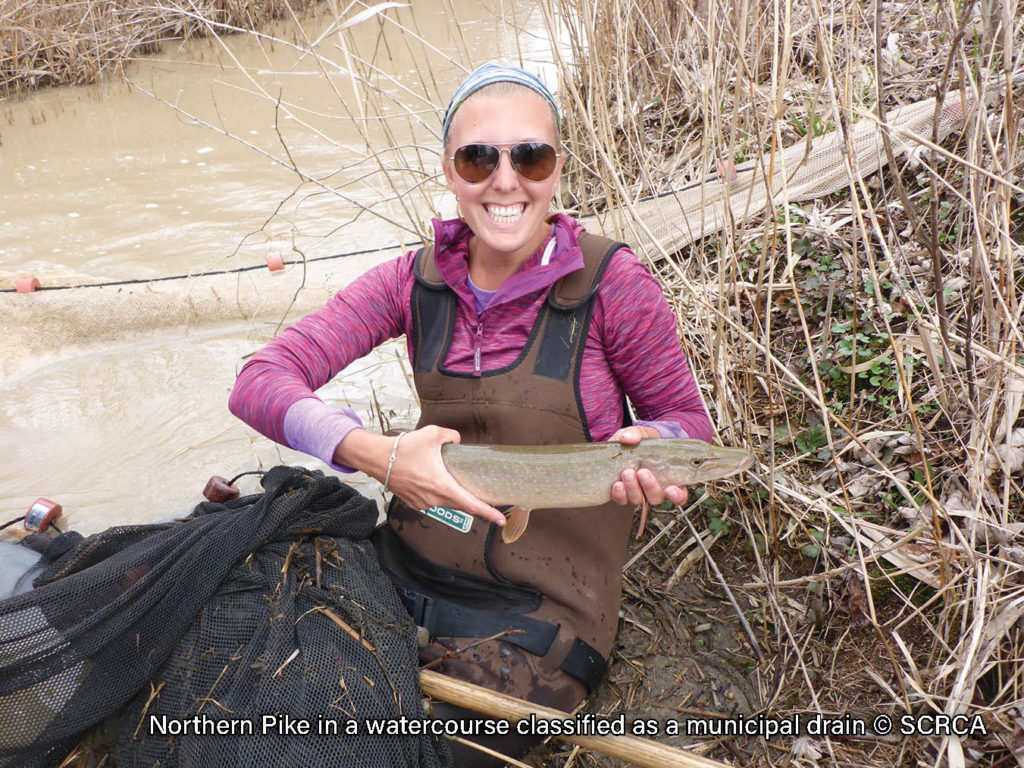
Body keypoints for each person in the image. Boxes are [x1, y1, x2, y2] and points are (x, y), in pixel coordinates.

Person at [229, 62, 713, 766]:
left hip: (544, 612)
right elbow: (260, 381)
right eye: (479, 157)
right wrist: (376, 454)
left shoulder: (616, 284)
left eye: (530, 156)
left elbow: (686, 423)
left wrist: (657, 440)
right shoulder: (408, 280)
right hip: (400, 572)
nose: (505, 179)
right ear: (451, 172)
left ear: (557, 170)